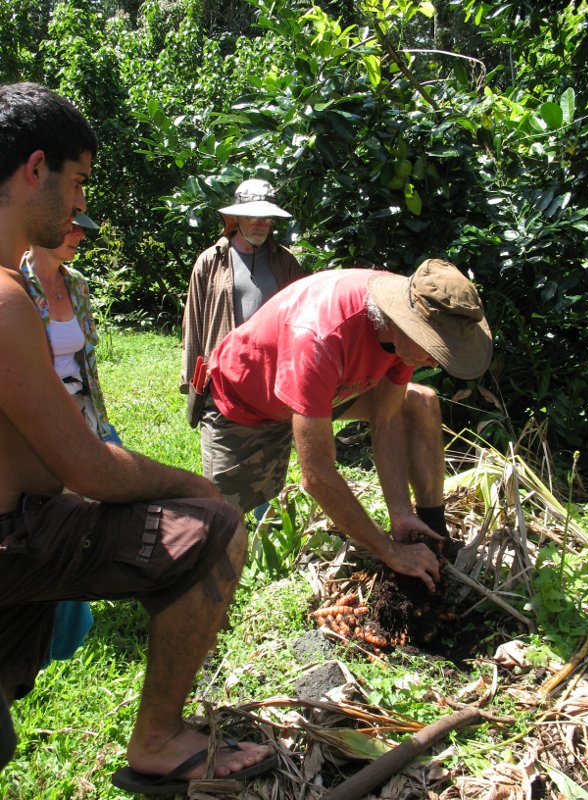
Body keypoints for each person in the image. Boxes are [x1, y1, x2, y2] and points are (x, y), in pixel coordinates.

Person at [0, 81, 274, 794]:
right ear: (36, 169)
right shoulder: (4, 299)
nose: (81, 204)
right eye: (79, 181)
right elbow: (87, 466)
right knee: (213, 525)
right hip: (13, 536)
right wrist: (198, 486)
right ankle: (158, 738)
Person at [202, 261, 493, 592]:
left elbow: (387, 416)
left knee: (419, 403)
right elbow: (318, 476)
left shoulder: (411, 314)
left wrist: (399, 512)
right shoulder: (320, 338)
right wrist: (389, 551)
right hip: (248, 400)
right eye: (435, 349)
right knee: (220, 523)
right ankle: (204, 603)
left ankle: (433, 534)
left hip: (326, 388)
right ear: (403, 325)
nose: (437, 362)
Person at [20, 212, 117, 664]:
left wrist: (96, 423)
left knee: (85, 517)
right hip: (36, 425)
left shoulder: (75, 282)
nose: (80, 235)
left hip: (81, 416)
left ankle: (71, 622)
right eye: (72, 226)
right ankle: (52, 634)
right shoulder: (14, 283)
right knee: (51, 521)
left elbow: (85, 363)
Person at [181, 178, 303, 430]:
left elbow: (301, 322)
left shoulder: (286, 262)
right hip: (223, 389)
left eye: (266, 217)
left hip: (273, 388)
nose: (261, 223)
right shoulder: (210, 261)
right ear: (236, 217)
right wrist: (191, 383)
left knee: (271, 467)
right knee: (222, 467)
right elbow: (192, 324)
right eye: (252, 216)